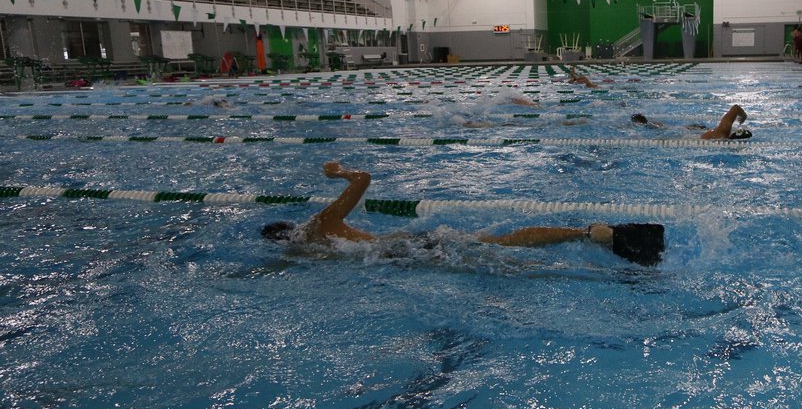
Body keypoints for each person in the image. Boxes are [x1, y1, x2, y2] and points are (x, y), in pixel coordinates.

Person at [260, 162, 665, 265]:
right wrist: (338, 173)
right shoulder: (316, 227)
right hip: (414, 247)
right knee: (501, 242)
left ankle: (597, 246)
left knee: (505, 260)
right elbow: (363, 180)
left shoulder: (301, 253)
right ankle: (588, 233)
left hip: (402, 262)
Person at [630, 104, 751, 139]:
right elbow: (735, 108)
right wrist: (743, 116)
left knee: (664, 128)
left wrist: (743, 116)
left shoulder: (723, 132)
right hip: (693, 132)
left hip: (693, 131)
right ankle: (645, 123)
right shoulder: (723, 132)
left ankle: (646, 123)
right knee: (662, 129)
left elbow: (736, 109)